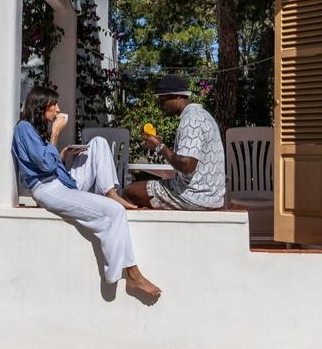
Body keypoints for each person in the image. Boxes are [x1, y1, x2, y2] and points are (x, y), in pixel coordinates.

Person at [12, 86, 161, 298]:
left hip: (61, 181)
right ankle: (131, 275)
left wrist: (63, 154)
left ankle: (110, 192)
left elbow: (45, 161)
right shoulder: (24, 128)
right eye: (53, 104)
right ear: (40, 105)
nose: (58, 109)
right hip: (48, 188)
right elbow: (44, 166)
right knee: (115, 213)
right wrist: (55, 133)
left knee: (99, 143)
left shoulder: (33, 129)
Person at [123, 74, 226, 210]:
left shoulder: (191, 120)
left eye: (162, 99)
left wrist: (159, 146)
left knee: (129, 192)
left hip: (193, 196)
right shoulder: (204, 115)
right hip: (212, 197)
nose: (159, 104)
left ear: (178, 97)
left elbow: (187, 166)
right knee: (146, 192)